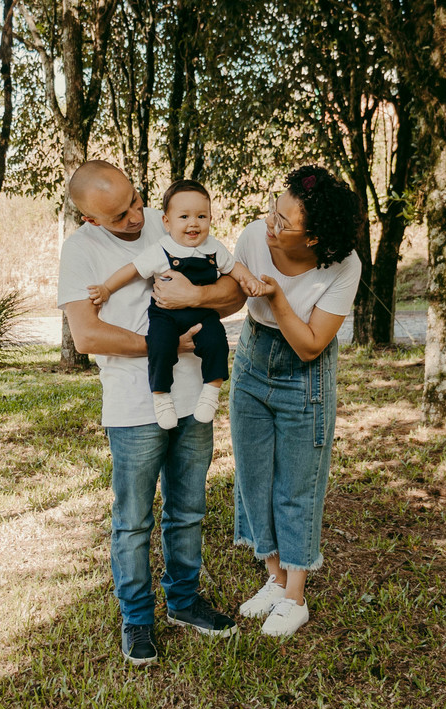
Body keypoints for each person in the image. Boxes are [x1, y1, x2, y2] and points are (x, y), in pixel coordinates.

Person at [153, 164, 362, 637]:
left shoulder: (344, 266)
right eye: (273, 209)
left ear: (313, 238)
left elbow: (311, 344)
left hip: (305, 369)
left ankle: (295, 597)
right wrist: (194, 293)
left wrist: (277, 298)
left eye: (283, 221)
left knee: (298, 483)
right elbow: (231, 298)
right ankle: (274, 578)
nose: (270, 222)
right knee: (254, 476)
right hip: (252, 357)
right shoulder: (254, 236)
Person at [58, 160, 243, 666]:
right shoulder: (81, 251)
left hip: (194, 400)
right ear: (92, 220)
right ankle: (137, 619)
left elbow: (233, 292)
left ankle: (183, 602)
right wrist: (166, 346)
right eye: (120, 216)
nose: (137, 218)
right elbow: (86, 335)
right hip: (133, 405)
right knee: (134, 521)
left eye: (137, 201)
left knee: (188, 510)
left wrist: (196, 295)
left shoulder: (174, 221)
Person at [87, 179, 267, 429]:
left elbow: (234, 268)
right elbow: (132, 269)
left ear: (211, 219)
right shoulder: (162, 249)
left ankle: (211, 391)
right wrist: (106, 288)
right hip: (166, 314)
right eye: (184, 217)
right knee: (160, 345)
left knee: (217, 342)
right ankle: (161, 395)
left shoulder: (213, 248)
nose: (193, 223)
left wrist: (250, 280)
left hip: (201, 313)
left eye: (201, 216)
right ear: (167, 222)